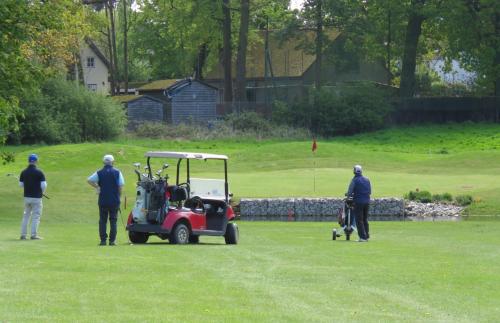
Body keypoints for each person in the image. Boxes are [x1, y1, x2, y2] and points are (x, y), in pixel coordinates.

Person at [87, 154, 125, 246]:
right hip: (114, 200)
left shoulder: (99, 172)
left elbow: (89, 180)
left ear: (104, 162)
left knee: (103, 220)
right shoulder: (117, 172)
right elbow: (120, 186)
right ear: (113, 162)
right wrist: (118, 197)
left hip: (103, 200)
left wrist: (97, 186)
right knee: (113, 220)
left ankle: (103, 241)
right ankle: (112, 241)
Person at [19, 154, 47, 240]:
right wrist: (42, 192)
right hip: (37, 198)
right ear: (36, 161)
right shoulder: (39, 172)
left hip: (27, 197)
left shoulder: (23, 172)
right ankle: (33, 235)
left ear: (29, 161)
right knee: (36, 216)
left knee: (26, 215)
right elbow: (44, 185)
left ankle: (23, 235)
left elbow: (21, 185)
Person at [346, 165, 371, 242]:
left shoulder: (354, 180)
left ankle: (362, 238)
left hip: (358, 202)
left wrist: (348, 198)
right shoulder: (367, 179)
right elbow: (370, 192)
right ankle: (366, 236)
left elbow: (349, 192)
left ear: (354, 171)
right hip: (367, 202)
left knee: (359, 220)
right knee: (365, 219)